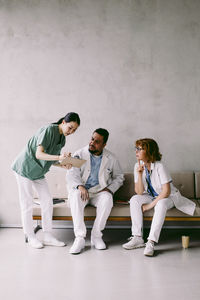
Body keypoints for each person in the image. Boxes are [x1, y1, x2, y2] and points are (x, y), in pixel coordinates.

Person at [12, 112, 80, 249]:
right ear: (63, 122)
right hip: (24, 168)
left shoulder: (62, 139)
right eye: (70, 127)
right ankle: (30, 236)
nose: (71, 131)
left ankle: (48, 235)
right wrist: (59, 157)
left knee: (47, 201)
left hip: (38, 172)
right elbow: (39, 154)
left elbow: (50, 158)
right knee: (27, 203)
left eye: (74, 130)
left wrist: (63, 164)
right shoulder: (49, 130)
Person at [122, 138, 196, 256]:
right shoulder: (137, 165)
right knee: (134, 199)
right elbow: (139, 192)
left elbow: (166, 191)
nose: (136, 151)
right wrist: (140, 175)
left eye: (139, 149)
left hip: (169, 197)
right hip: (151, 195)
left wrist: (149, 206)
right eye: (136, 148)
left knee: (161, 204)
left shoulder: (160, 166)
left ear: (149, 151)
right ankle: (137, 237)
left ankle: (151, 242)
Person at [66, 128, 124, 254]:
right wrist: (80, 186)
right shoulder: (79, 154)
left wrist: (109, 189)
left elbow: (119, 177)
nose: (92, 142)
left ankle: (96, 236)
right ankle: (80, 238)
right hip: (82, 191)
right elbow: (71, 174)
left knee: (108, 198)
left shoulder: (111, 158)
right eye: (92, 139)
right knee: (75, 196)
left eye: (97, 141)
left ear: (104, 145)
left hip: (99, 192)